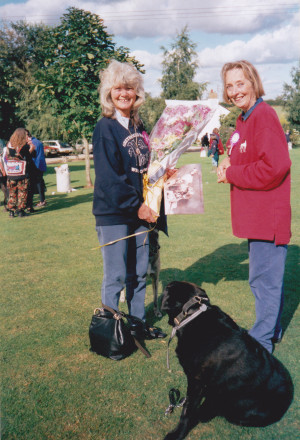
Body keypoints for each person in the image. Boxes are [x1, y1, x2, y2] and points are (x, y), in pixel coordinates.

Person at [217, 60, 291, 353]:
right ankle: (270, 331)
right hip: (255, 216)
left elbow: (276, 166)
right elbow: (245, 155)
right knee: (264, 279)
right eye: (229, 85)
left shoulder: (264, 115)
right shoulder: (244, 118)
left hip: (267, 217)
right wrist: (229, 161)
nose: (235, 91)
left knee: (264, 281)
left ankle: (261, 343)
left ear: (253, 82)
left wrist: (232, 173)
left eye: (240, 83)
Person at [92, 59, 166, 339]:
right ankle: (111, 334)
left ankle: (136, 326)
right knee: (116, 276)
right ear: (109, 93)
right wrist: (139, 208)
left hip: (141, 212)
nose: (124, 93)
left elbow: (146, 170)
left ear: (137, 92)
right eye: (118, 88)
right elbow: (110, 180)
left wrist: (163, 174)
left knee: (139, 274)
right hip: (114, 214)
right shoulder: (105, 128)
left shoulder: (138, 127)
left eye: (129, 88)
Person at [6, 128, 36, 218]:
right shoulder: (24, 146)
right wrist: (32, 148)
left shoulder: (9, 145)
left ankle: (11, 211)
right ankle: (20, 211)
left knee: (12, 192)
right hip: (22, 173)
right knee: (22, 192)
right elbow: (28, 157)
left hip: (11, 173)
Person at [26, 130, 47, 207]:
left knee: (36, 184)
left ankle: (41, 201)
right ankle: (42, 200)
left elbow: (31, 155)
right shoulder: (38, 141)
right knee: (40, 183)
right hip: (40, 165)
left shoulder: (33, 143)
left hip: (36, 166)